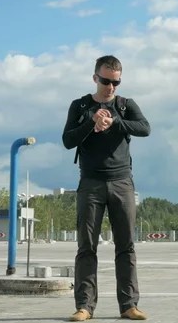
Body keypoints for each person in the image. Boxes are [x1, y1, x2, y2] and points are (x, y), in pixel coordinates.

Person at [61, 55, 151, 321]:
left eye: (116, 82)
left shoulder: (125, 105)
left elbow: (145, 128)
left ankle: (129, 305)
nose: (111, 87)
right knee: (86, 246)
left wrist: (115, 121)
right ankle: (84, 307)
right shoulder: (80, 106)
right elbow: (67, 140)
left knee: (126, 246)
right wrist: (91, 122)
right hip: (90, 183)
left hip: (122, 182)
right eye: (106, 81)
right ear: (95, 78)